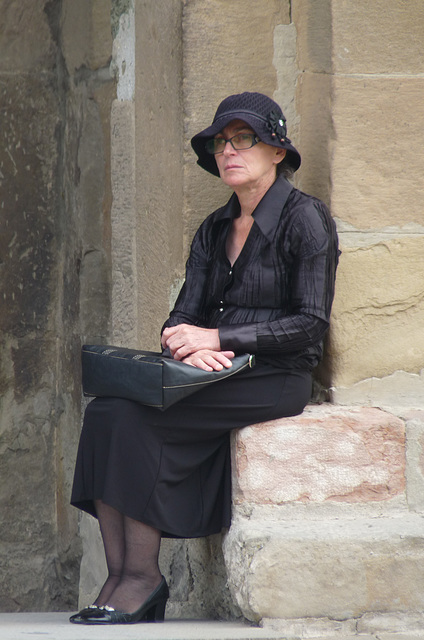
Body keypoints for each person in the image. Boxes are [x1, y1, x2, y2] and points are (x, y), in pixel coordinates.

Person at [69, 91, 339, 625]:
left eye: (244, 139)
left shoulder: (307, 220)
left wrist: (218, 338)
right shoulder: (214, 228)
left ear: (277, 150)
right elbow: (179, 318)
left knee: (140, 419)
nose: (228, 151)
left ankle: (143, 579)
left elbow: (310, 323)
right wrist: (183, 342)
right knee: (107, 410)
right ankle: (119, 575)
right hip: (214, 371)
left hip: (275, 375)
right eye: (220, 142)